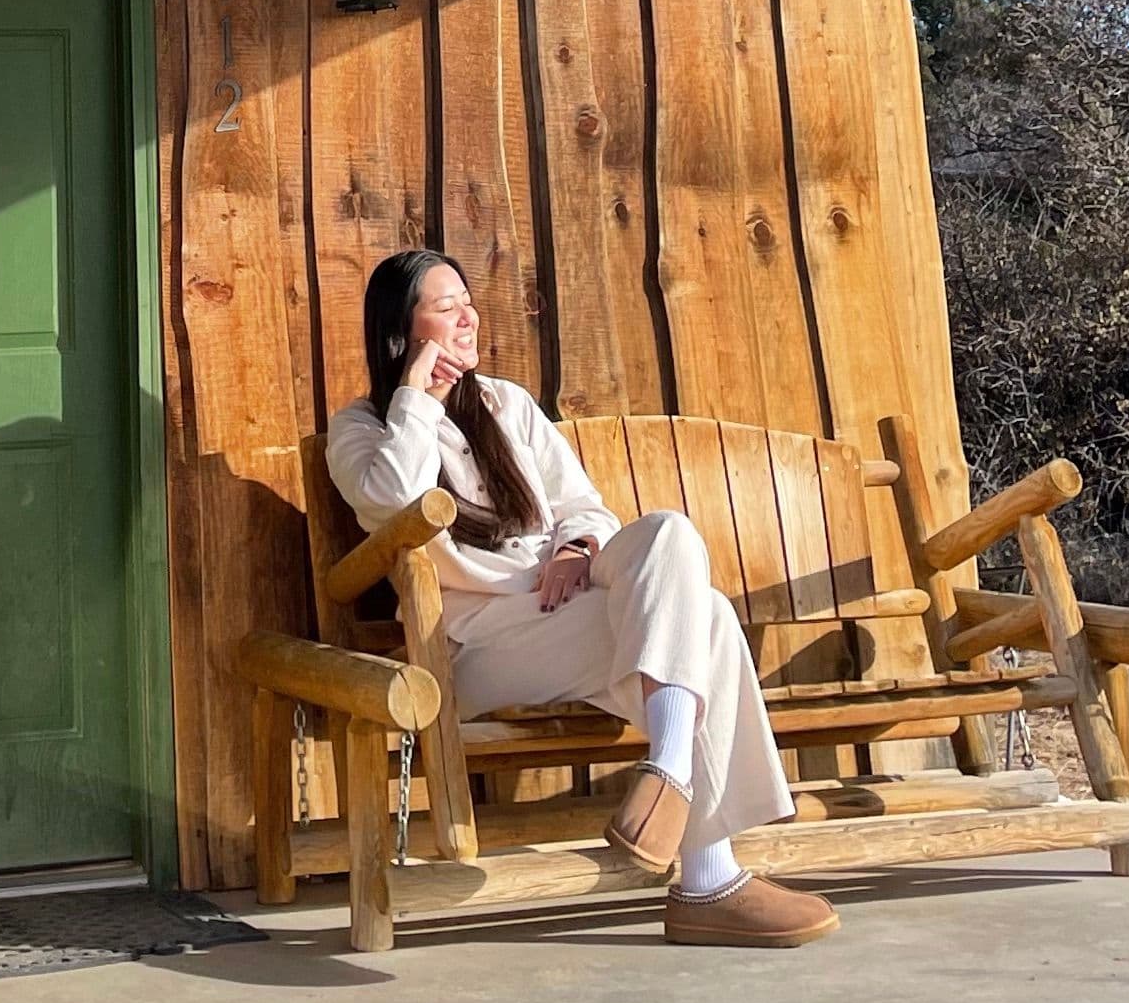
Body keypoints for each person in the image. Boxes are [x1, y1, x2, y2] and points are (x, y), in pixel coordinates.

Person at [323, 245, 835, 948]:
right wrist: (415, 393)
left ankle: (670, 774)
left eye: (468, 301)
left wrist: (575, 547)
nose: (469, 316)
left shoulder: (506, 404)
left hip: (566, 606)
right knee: (708, 618)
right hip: (480, 644)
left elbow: (585, 507)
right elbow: (391, 497)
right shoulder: (362, 431)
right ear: (400, 330)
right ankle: (707, 877)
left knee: (672, 537)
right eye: (446, 307)